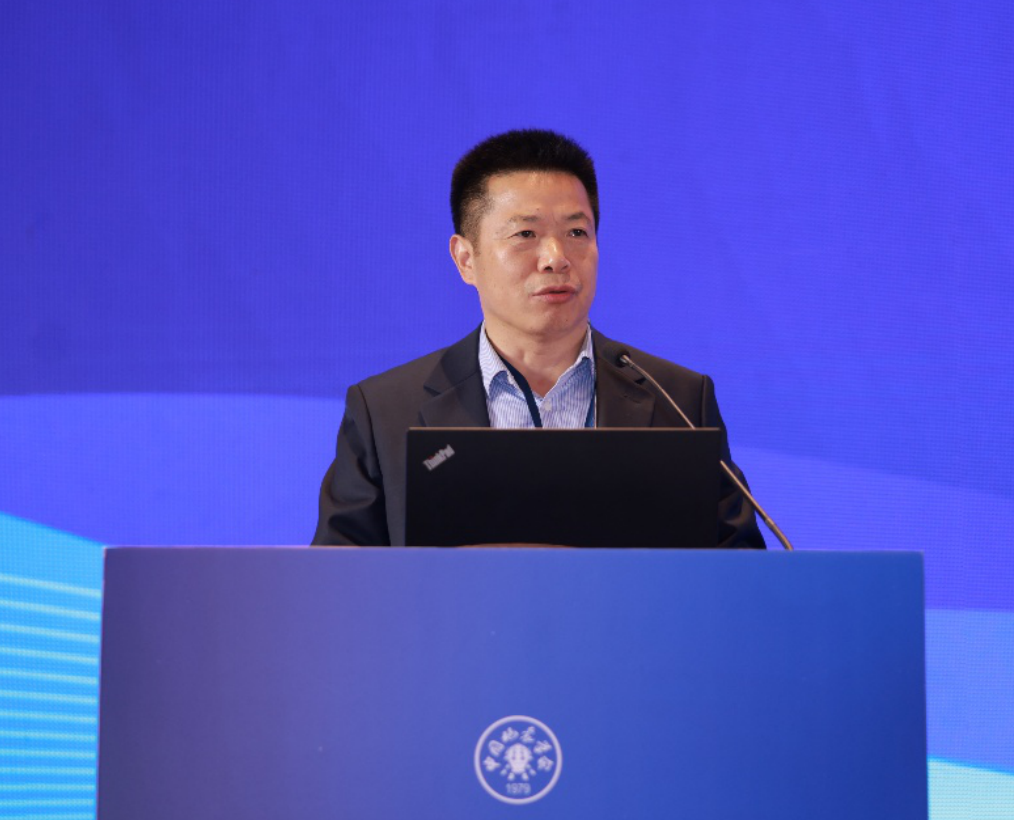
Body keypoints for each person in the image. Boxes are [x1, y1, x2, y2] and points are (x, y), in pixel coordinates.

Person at [311, 129, 765, 548]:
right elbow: (338, 587)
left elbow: (741, 576)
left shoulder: (679, 400)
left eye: (576, 232)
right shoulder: (385, 411)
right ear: (465, 259)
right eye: (525, 233)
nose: (556, 257)